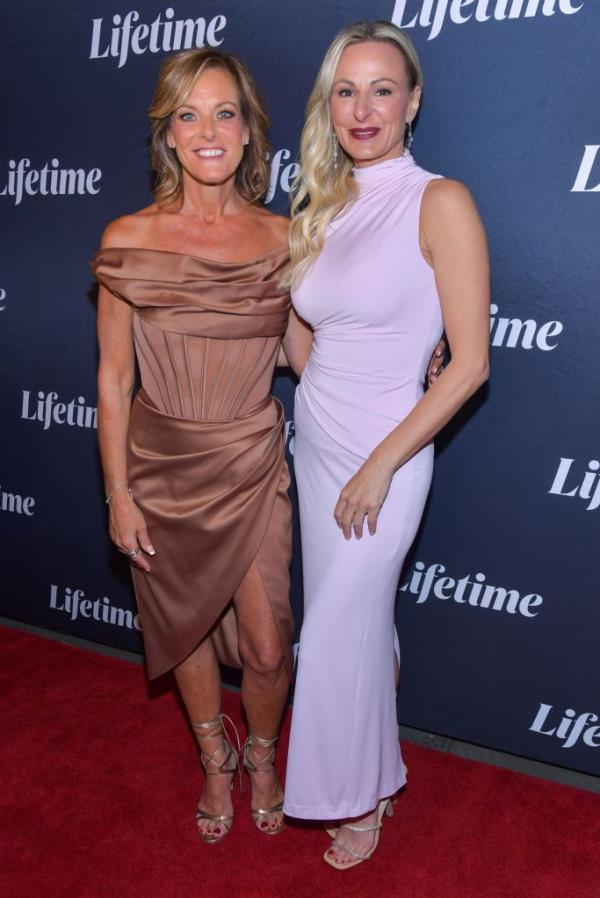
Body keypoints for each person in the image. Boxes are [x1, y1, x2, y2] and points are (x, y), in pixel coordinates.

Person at [282, 21, 490, 869]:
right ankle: (371, 744)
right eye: (346, 90)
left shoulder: (441, 200)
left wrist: (379, 462)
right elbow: (303, 330)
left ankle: (359, 794)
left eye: (381, 89)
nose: (363, 108)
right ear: (328, 106)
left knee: (329, 633)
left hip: (388, 453)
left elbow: (469, 363)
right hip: (320, 437)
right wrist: (315, 403)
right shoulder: (323, 204)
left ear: (412, 102)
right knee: (353, 621)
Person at [91, 48, 294, 844]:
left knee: (270, 645)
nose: (208, 130)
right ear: (167, 135)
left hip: (249, 458)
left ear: (249, 133)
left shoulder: (286, 239)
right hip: (160, 465)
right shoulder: (128, 239)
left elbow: (318, 358)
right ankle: (217, 759)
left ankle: (265, 753)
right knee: (181, 631)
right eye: (188, 114)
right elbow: (112, 378)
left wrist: (415, 360)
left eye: (225, 113)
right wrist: (119, 491)